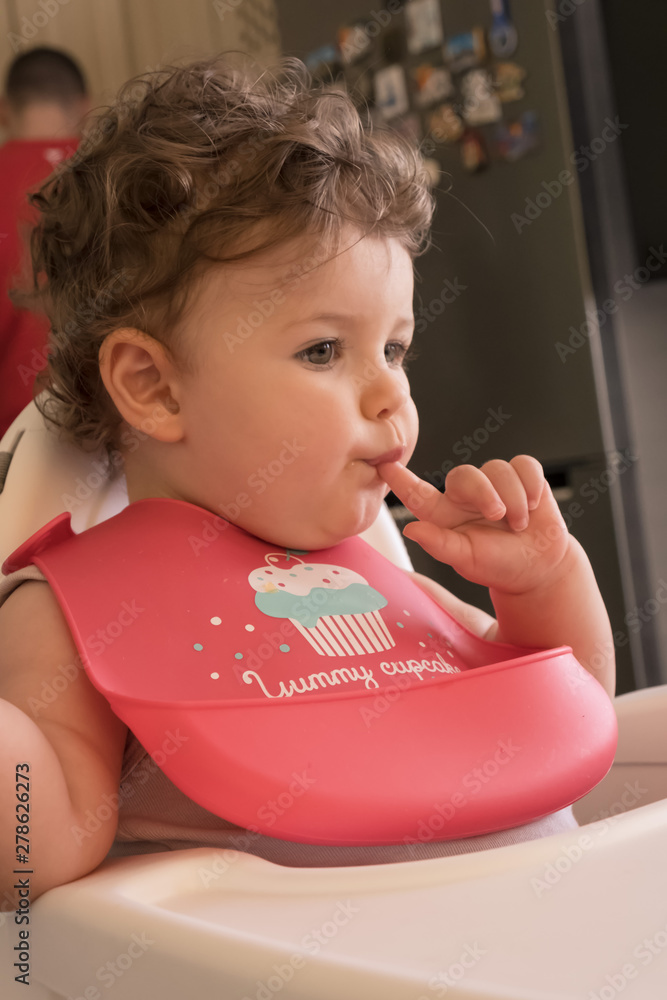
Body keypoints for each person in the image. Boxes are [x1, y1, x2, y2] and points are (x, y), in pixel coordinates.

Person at [0, 54, 615, 908]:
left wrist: (546, 586)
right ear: (154, 386)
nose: (389, 391)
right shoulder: (75, 614)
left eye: (394, 348)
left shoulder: (384, 587)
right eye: (323, 349)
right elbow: (36, 848)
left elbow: (569, 721)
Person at [0, 46, 88, 438]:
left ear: (5, 110)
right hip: (126, 429)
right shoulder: (126, 175)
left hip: (15, 438)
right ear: (86, 107)